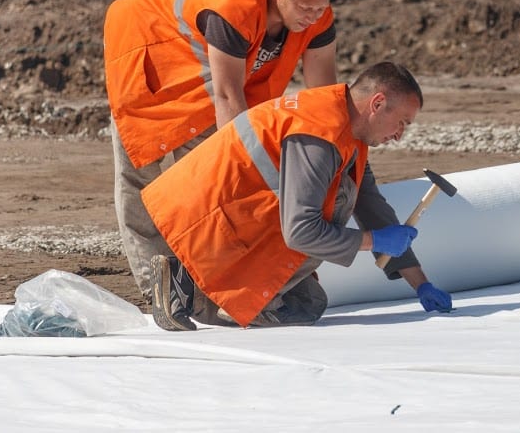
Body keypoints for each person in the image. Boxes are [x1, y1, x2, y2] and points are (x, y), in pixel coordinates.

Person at [141, 61, 453, 330]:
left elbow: (371, 205)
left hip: (228, 216)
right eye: (402, 123)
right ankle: (186, 285)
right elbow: (302, 232)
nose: (400, 135)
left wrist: (420, 283)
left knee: (307, 303)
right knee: (326, 218)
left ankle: (200, 284)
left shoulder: (346, 127)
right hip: (199, 224)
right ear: (377, 103)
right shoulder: (319, 134)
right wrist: (373, 241)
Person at [103, 0, 339, 301]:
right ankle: (160, 287)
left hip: (206, 59)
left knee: (220, 174)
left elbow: (323, 97)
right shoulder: (235, 6)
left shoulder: (316, 13)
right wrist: (245, 172)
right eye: (305, 8)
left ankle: (213, 277)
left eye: (321, 7)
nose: (314, 16)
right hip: (148, 49)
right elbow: (228, 99)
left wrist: (335, 161)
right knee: (146, 174)